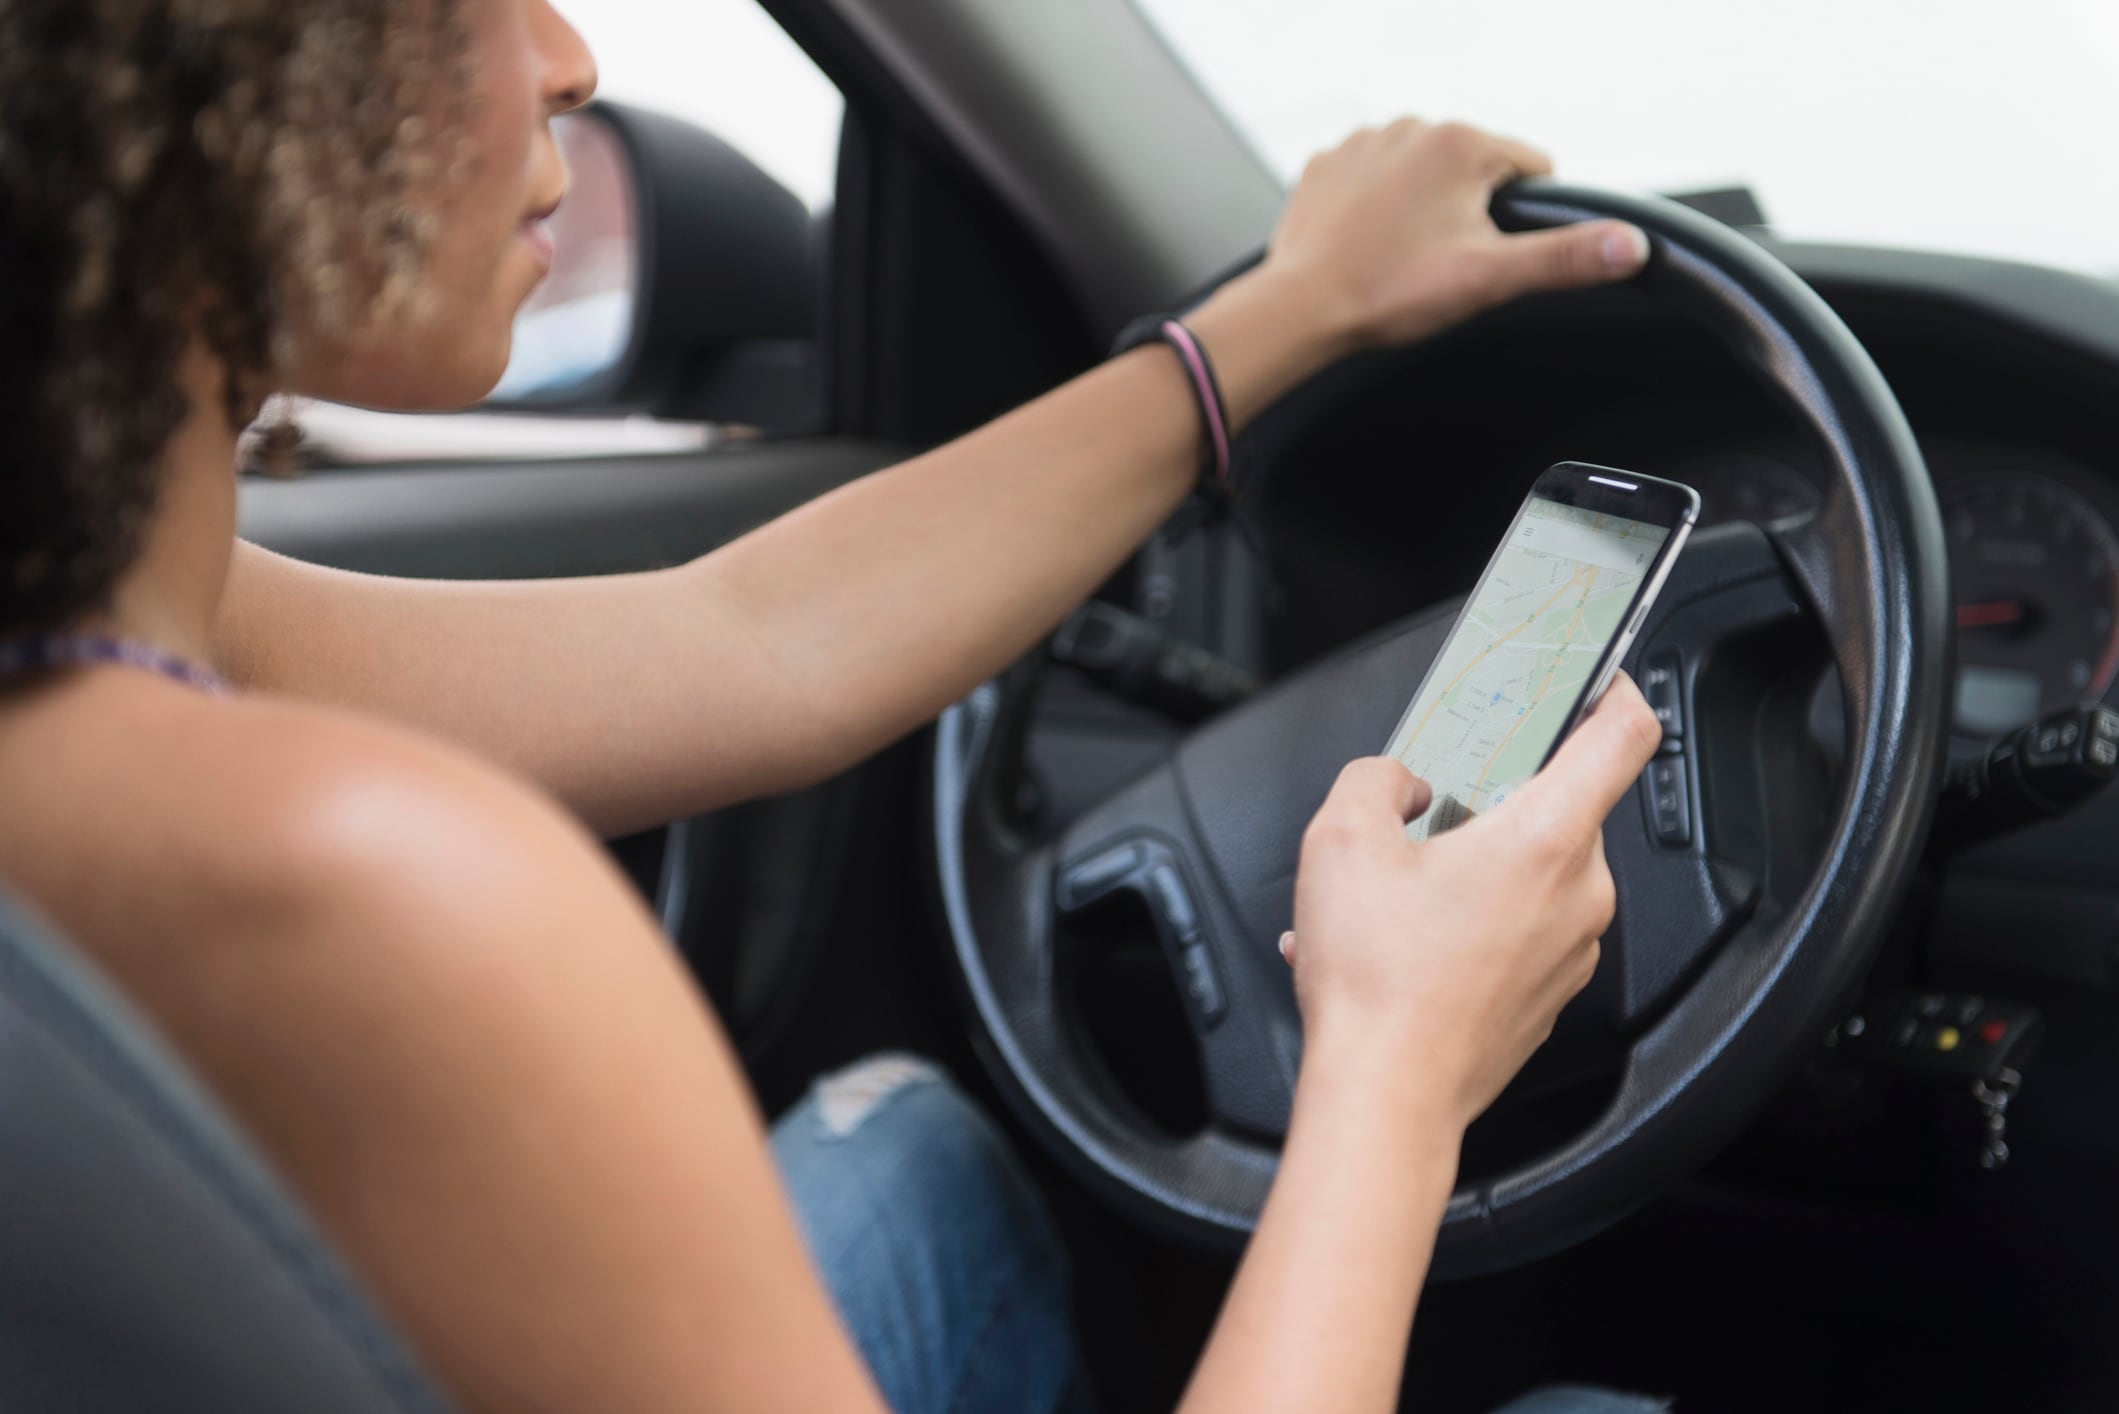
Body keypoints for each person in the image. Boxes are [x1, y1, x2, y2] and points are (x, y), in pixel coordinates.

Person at [0, 2, 1667, 1412]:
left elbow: (751, 638)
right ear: (210, 89)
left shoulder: (118, 647)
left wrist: (1284, 313)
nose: (569, 56)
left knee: (926, 1163)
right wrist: (1394, 1064)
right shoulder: (386, 894)